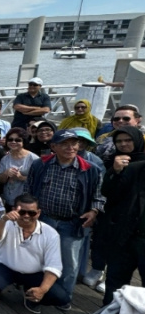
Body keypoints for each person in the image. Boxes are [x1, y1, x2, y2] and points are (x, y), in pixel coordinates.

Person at [25, 129, 103, 302]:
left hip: (72, 223)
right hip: (43, 220)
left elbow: (99, 196)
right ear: (54, 146)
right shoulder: (40, 164)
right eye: (65, 144)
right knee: (39, 257)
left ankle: (63, 297)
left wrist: (94, 211)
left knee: (70, 264)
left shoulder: (91, 170)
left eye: (74, 143)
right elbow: (28, 190)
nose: (71, 147)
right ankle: (37, 292)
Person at [0, 194, 70, 312]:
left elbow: (54, 266)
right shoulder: (7, 223)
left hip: (34, 273)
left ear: (38, 213)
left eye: (32, 213)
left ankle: (31, 297)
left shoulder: (51, 234)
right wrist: (3, 219)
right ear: (14, 210)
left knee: (61, 297)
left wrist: (42, 290)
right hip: (6, 267)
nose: (26, 216)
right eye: (22, 212)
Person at [99, 136, 145, 304]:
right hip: (125, 234)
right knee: (115, 280)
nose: (124, 144)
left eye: (128, 140)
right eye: (119, 141)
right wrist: (115, 172)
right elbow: (109, 192)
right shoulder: (134, 168)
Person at [0, 127, 35, 210]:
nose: (13, 142)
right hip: (9, 200)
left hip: (27, 201)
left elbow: (38, 180)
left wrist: (21, 177)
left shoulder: (33, 159)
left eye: (18, 140)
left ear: (23, 141)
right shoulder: (5, 159)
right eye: (10, 139)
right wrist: (5, 173)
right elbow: (0, 180)